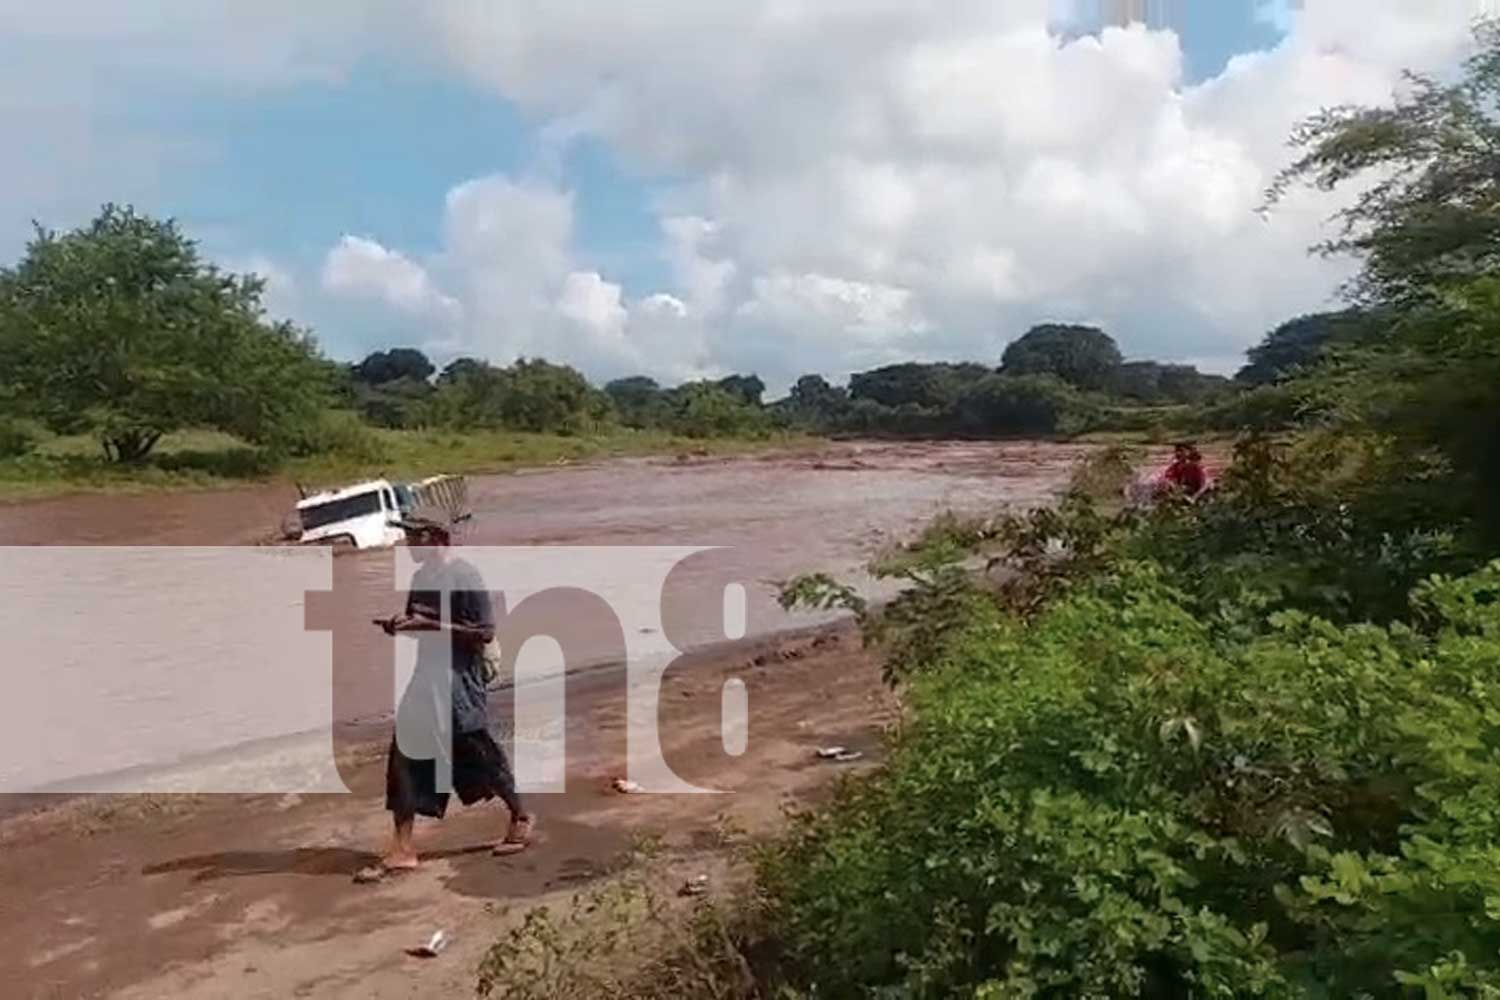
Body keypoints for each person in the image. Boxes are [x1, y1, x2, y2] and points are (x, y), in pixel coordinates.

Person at [355, 517, 534, 883]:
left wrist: (433, 627)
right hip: (426, 676)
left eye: (414, 538)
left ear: (437, 538)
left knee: (477, 750)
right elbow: (418, 623)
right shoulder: (421, 579)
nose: (408, 545)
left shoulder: (465, 576)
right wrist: (399, 627)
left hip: (459, 680)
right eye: (405, 538)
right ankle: (402, 847)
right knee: (403, 758)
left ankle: (520, 815)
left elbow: (484, 632)